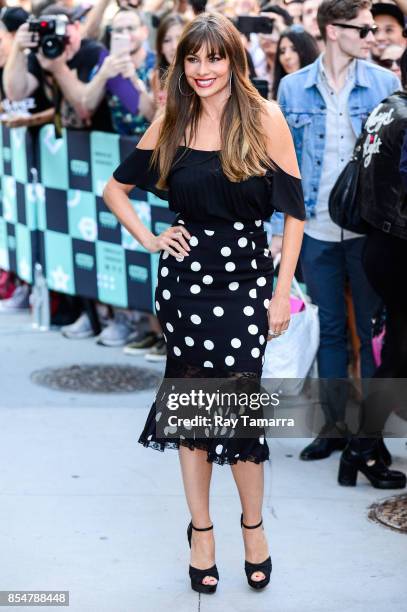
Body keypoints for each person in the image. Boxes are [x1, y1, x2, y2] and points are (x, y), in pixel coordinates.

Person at [103, 11, 305, 593]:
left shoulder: (263, 116)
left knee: (239, 415)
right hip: (186, 287)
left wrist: (281, 290)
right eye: (192, 58)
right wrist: (150, 237)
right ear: (180, 63)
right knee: (193, 411)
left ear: (234, 60)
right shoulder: (173, 116)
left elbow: (293, 210)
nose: (202, 69)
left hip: (246, 286)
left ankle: (253, 527)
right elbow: (115, 189)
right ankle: (201, 532)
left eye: (215, 57)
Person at [275, 0, 400, 463]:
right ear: (332, 30)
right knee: (329, 329)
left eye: (373, 29)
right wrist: (276, 229)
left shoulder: (385, 83)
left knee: (370, 334)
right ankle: (332, 426)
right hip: (314, 229)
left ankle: (371, 432)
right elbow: (281, 168)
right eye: (362, 29)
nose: (372, 37)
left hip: (369, 231)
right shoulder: (293, 88)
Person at [337, 48, 407, 489]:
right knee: (398, 354)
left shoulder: (388, 107)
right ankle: (361, 446)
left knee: (399, 351)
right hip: (398, 249)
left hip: (381, 246)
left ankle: (364, 446)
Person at [3, 4, 112, 130]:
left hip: (100, 139)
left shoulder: (93, 52)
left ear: (76, 27)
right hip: (64, 143)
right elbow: (15, 94)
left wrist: (58, 69)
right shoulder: (41, 53)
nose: (59, 40)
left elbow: (85, 109)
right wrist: (18, 48)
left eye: (62, 31)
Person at [82, 8, 156, 136]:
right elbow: (87, 108)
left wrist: (134, 79)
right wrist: (102, 75)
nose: (125, 35)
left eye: (131, 28)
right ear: (112, 35)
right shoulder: (108, 64)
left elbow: (155, 116)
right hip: (120, 147)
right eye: (119, 30)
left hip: (154, 145)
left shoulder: (157, 64)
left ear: (144, 31)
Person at [150, 13, 186, 118]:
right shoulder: (157, 76)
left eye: (179, 38)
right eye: (167, 40)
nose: (174, 46)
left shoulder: (200, 75)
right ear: (160, 47)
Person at [271, 24, 319, 98]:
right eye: (282, 51)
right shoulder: (280, 90)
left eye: (294, 49)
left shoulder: (322, 88)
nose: (287, 56)